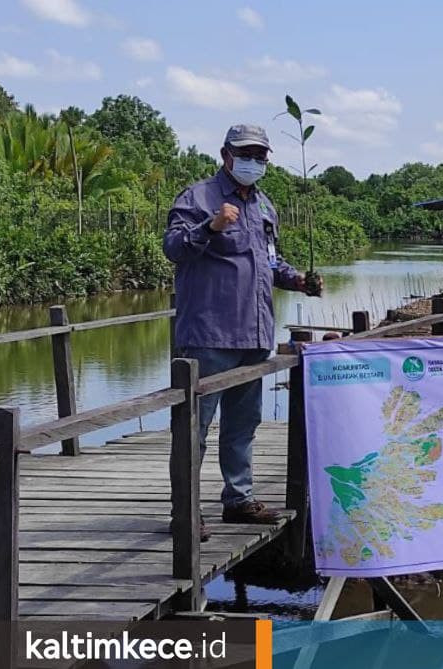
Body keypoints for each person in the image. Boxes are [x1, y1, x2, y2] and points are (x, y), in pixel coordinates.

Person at [163, 124, 321, 541]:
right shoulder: (197, 198)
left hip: (254, 336)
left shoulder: (265, 206)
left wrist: (299, 279)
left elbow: (271, 263)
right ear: (225, 154)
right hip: (209, 334)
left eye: (260, 155)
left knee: (243, 425)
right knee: (194, 429)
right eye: (245, 153)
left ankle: (238, 499)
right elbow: (174, 249)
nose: (254, 161)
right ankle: (185, 513)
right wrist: (210, 227)